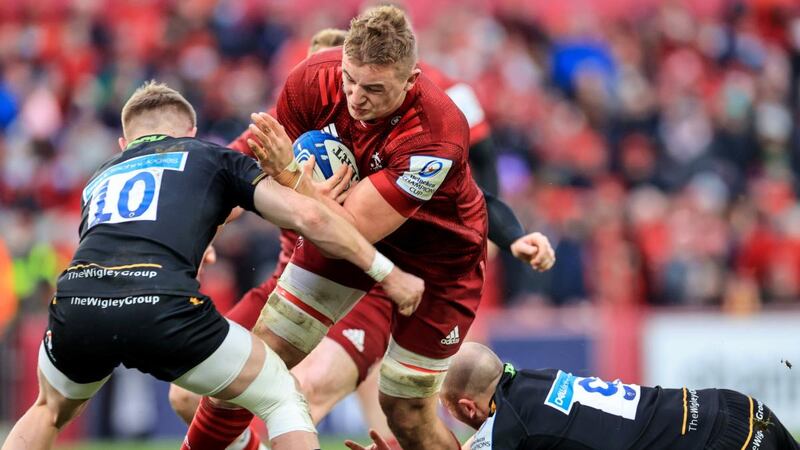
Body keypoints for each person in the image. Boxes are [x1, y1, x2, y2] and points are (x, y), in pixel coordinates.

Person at [183, 5, 557, 450]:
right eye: (350, 80)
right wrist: (194, 229)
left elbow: (355, 226)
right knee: (254, 366)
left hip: (435, 264)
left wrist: (289, 177)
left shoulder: (437, 131)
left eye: (374, 88)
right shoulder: (313, 79)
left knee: (404, 409)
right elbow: (239, 173)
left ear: (411, 80)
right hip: (341, 243)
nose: (356, 98)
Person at [0, 81, 425, 450]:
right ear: (193, 133)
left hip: (79, 302)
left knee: (48, 409)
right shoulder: (209, 157)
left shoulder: (99, 178)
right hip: (159, 303)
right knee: (279, 393)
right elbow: (309, 218)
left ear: (123, 145)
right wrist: (389, 272)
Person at [346, 342, 800, 450]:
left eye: (445, 406)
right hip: (736, 406)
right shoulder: (529, 381)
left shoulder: (510, 428)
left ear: (466, 406)